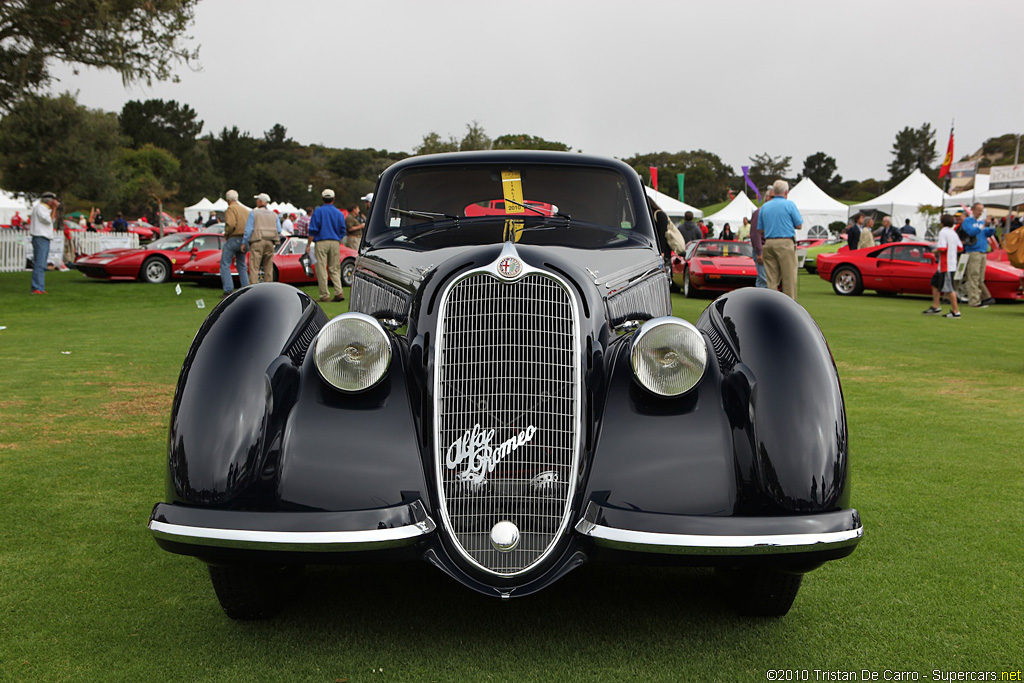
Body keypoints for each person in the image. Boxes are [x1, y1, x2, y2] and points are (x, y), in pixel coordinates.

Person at [758, 179, 803, 300]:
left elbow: (760, 229)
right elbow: (799, 225)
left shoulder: (765, 207)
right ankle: (790, 308)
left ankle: (772, 306)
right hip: (785, 243)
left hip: (768, 243)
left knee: (771, 280)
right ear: (786, 192)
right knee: (789, 278)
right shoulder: (789, 205)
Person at [306, 188, 347, 302]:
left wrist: (308, 244)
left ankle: (324, 295)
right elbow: (343, 230)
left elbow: (313, 230)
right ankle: (339, 292)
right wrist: (338, 239)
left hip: (321, 242)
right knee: (334, 268)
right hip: (335, 242)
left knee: (321, 269)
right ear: (333, 199)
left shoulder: (318, 212)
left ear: (322, 199)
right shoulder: (339, 213)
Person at [923, 213, 962, 318]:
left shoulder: (943, 232)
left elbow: (942, 248)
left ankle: (956, 311)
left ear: (942, 222)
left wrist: (933, 252)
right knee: (934, 283)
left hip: (946, 265)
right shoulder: (953, 233)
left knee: (949, 289)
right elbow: (960, 247)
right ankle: (936, 306)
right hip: (949, 263)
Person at [960, 202, 996, 308]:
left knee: (980, 278)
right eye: (979, 210)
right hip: (973, 251)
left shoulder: (980, 222)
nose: (980, 212)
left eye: (981, 210)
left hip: (982, 251)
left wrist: (992, 225)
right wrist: (982, 226)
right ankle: (974, 301)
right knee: (973, 276)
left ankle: (978, 298)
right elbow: (971, 232)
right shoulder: (968, 221)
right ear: (973, 210)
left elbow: (988, 233)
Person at [243, 193, 282, 284]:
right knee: (268, 267)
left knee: (254, 266)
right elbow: (279, 230)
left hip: (258, 240)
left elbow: (248, 230)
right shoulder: (274, 214)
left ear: (260, 202)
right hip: (270, 241)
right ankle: (268, 286)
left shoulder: (254, 213)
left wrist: (244, 242)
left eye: (257, 200)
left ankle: (253, 286)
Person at [220, 190, 250, 297]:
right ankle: (245, 288)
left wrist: (227, 234)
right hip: (244, 240)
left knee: (225, 264)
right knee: (242, 265)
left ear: (228, 200)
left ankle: (228, 289)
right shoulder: (245, 210)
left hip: (234, 237)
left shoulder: (231, 209)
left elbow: (231, 224)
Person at [30, 193, 59, 294]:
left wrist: (53, 210)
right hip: (40, 237)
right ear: (49, 201)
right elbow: (48, 221)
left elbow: (52, 220)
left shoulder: (45, 209)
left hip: (44, 237)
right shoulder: (40, 208)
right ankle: (36, 287)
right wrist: (54, 209)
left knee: (42, 263)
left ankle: (40, 287)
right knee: (39, 263)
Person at [749, 186, 774, 288]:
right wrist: (759, 252)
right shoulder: (759, 212)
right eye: (772, 197)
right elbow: (755, 234)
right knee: (763, 281)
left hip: (768, 249)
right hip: (762, 250)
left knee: (766, 280)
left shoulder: (769, 213)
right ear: (767, 198)